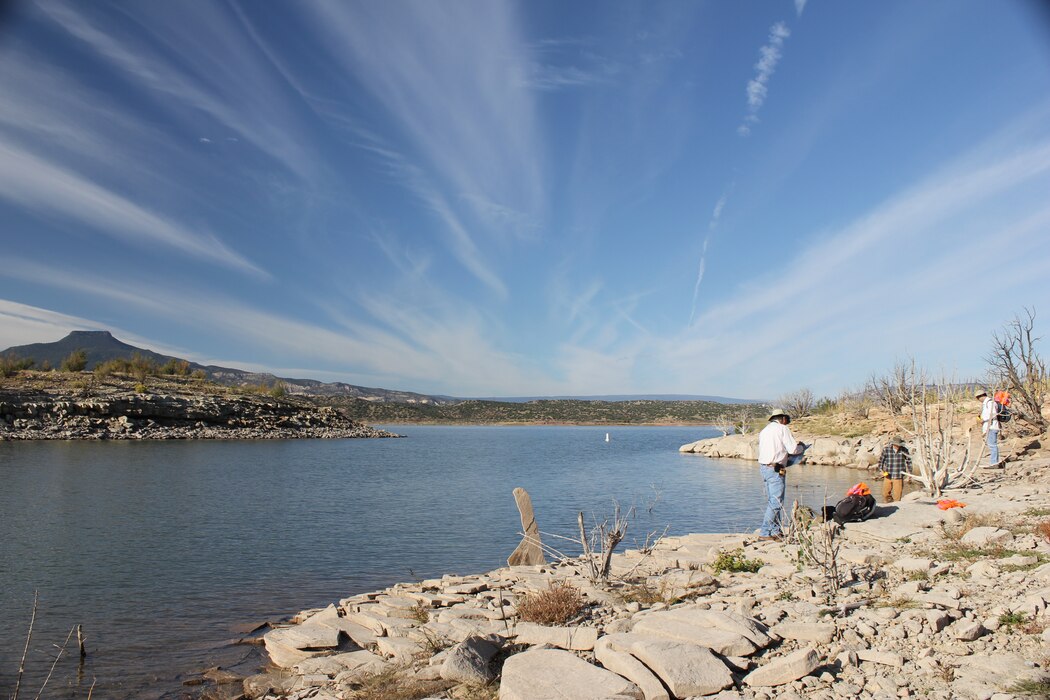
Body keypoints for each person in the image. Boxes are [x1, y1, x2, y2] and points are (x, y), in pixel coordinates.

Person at [757, 408, 805, 541]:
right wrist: (802, 448)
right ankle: (765, 532)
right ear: (781, 418)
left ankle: (775, 531)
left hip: (764, 468)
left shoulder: (764, 431)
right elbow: (793, 449)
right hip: (776, 469)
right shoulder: (782, 429)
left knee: (773, 501)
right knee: (776, 502)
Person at [878, 436, 911, 503]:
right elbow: (881, 461)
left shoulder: (904, 450)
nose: (897, 446)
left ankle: (896, 507)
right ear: (893, 444)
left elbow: (909, 461)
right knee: (885, 494)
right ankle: (888, 505)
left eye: (898, 445)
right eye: (896, 445)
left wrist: (909, 474)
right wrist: (881, 470)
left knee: (897, 496)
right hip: (888, 475)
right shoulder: (886, 450)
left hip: (898, 476)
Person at [976, 389, 1001, 467]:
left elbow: (993, 413)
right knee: (991, 445)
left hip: (991, 427)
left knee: (993, 445)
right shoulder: (986, 404)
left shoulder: (990, 403)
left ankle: (994, 463)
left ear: (980, 396)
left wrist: (983, 419)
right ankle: (993, 462)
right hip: (989, 426)